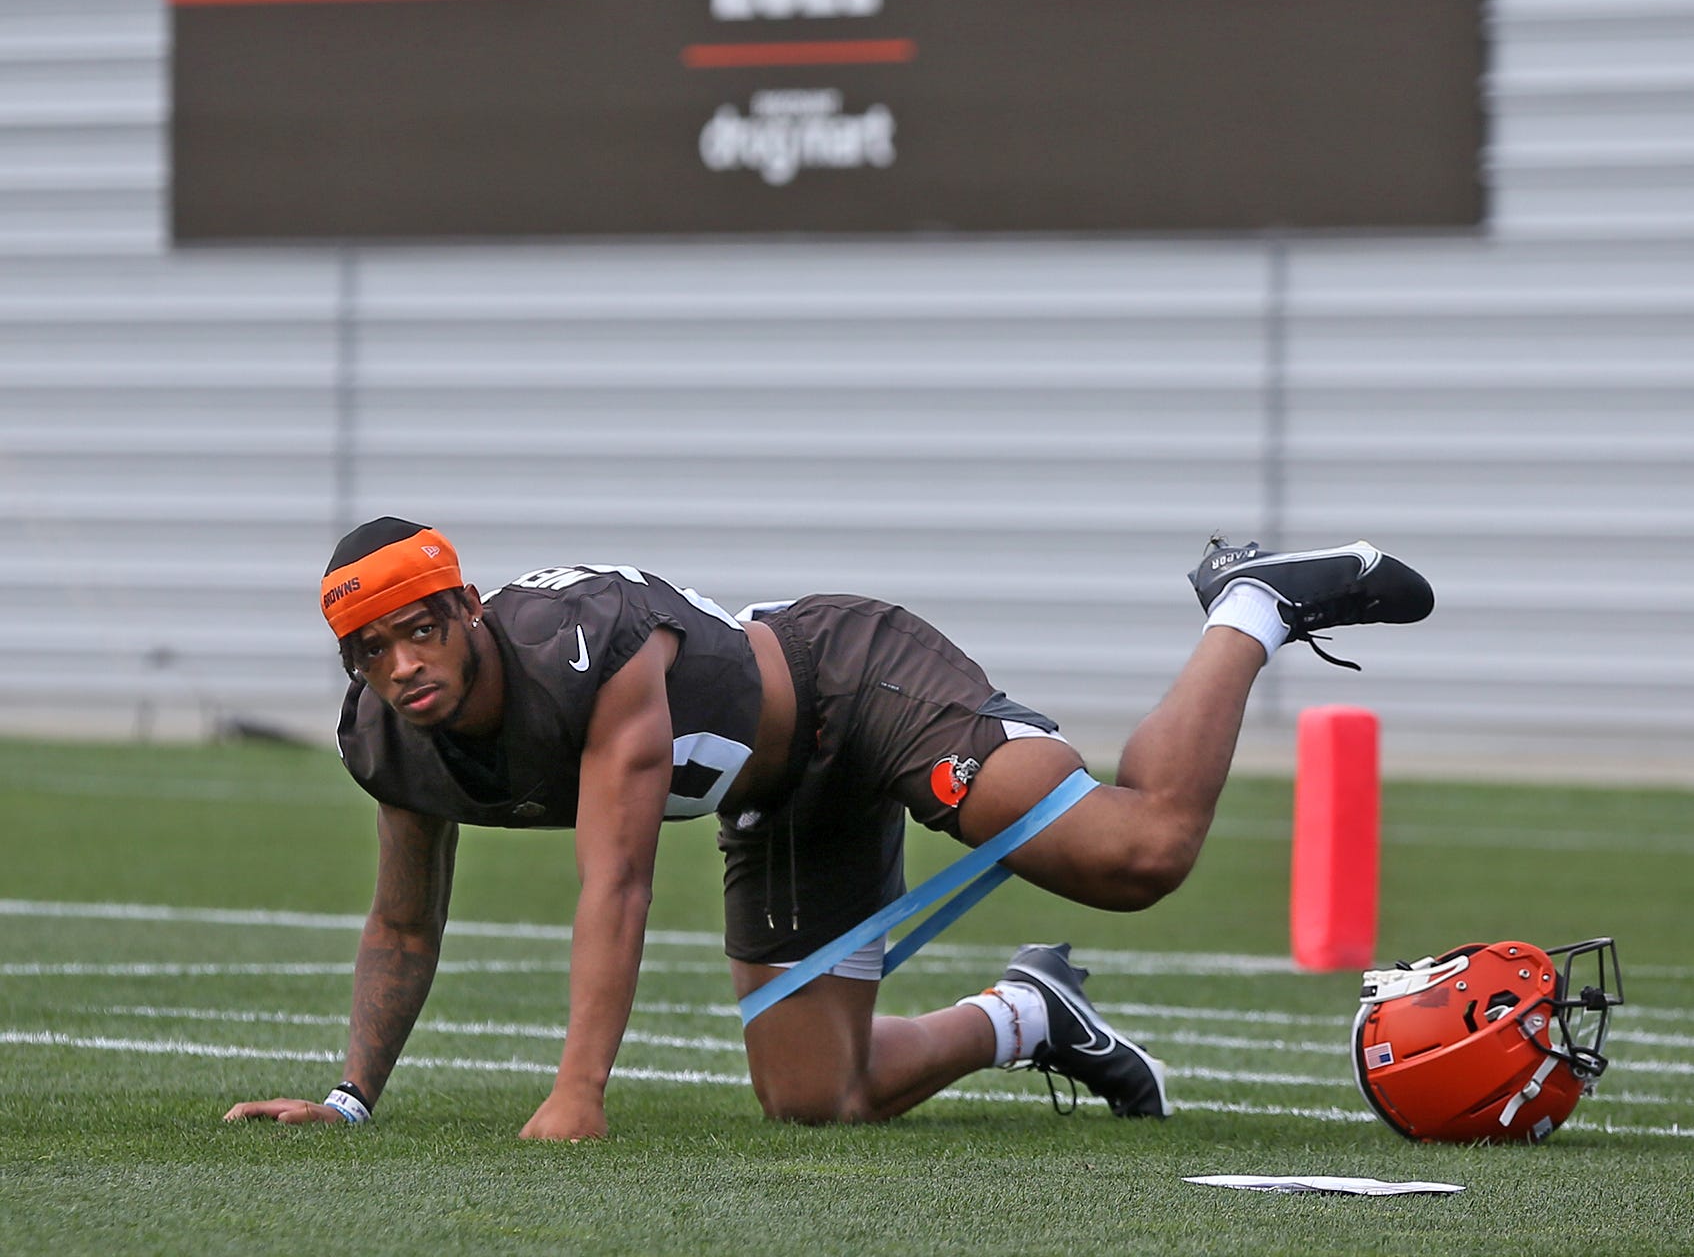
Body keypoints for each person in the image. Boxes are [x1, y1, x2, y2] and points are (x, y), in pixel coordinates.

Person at [225, 520, 1432, 1139]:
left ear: (466, 608)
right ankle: (1031, 1013)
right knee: (817, 1095)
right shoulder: (388, 735)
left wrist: (576, 1089)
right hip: (779, 791)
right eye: (370, 650)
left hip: (855, 685)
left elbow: (620, 880)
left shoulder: (585, 652)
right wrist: (347, 1099)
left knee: (1136, 854)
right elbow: (401, 918)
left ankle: (1252, 601)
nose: (402, 664)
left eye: (418, 628)